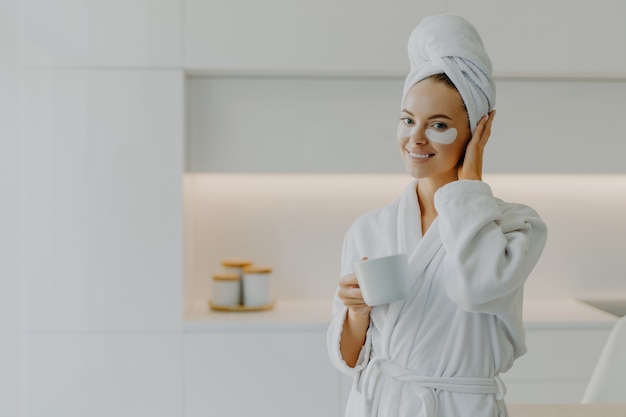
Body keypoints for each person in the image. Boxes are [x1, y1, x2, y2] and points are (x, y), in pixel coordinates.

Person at [327, 14, 548, 417]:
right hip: (381, 404)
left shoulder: (517, 227)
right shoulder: (369, 228)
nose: (416, 137)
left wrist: (471, 180)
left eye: (439, 124)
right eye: (408, 120)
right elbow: (349, 360)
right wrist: (356, 313)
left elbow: (478, 289)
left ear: (477, 131)